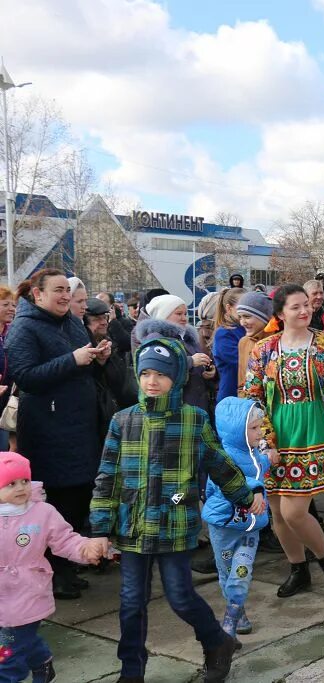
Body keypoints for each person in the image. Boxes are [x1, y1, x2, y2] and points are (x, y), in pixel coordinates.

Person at [90, 336, 257, 682]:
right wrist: (100, 528)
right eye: (146, 373)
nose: (152, 381)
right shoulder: (123, 421)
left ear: (177, 377)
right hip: (132, 527)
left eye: (161, 375)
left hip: (175, 523)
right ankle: (131, 669)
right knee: (131, 602)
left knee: (181, 597)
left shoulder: (193, 420)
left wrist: (245, 495)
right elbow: (107, 476)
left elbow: (219, 463)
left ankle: (216, 643)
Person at [244, 284, 324, 599]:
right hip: (277, 435)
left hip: (314, 431)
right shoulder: (264, 349)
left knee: (296, 512)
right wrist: (266, 440)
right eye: (296, 306)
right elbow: (252, 398)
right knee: (279, 513)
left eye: (307, 305)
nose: (304, 311)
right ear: (280, 314)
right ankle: (299, 569)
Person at [5, 269, 103, 599]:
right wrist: (72, 360)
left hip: (79, 426)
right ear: (38, 294)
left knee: (78, 496)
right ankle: (54, 572)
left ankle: (67, 566)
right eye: (58, 290)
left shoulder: (72, 323)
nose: (64, 296)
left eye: (67, 290)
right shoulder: (25, 327)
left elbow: (80, 361)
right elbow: (27, 376)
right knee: (56, 500)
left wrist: (97, 357)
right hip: (49, 430)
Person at [0, 452, 106, 683]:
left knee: (7, 653)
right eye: (11, 483)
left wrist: (85, 548)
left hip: (27, 591)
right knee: (18, 638)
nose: (20, 488)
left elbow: (65, 539)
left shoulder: (42, 513)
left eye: (25, 481)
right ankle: (42, 660)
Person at [205, 397, 271, 641]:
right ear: (235, 431)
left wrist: (268, 460)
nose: (259, 432)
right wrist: (254, 488)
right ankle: (237, 609)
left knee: (241, 573)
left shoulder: (252, 453)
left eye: (259, 427)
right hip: (224, 527)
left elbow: (256, 466)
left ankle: (230, 621)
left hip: (249, 530)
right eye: (253, 428)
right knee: (226, 570)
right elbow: (227, 484)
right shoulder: (222, 459)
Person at [135, 295, 217, 415]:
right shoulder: (156, 339)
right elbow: (157, 369)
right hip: (175, 408)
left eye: (185, 313)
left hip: (194, 403)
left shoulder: (186, 338)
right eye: (178, 314)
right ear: (164, 314)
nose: (184, 318)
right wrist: (190, 362)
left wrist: (208, 371)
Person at [84, 298, 137, 452]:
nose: (103, 322)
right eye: (96, 319)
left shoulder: (108, 342)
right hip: (97, 419)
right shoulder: (85, 346)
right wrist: (100, 362)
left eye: (104, 317)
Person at [234, 291, 274, 396]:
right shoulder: (243, 343)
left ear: (264, 317)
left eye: (247, 317)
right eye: (240, 317)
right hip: (251, 407)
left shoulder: (279, 340)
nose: (242, 322)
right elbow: (242, 383)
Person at [212, 287, 245, 404]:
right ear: (229, 308)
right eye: (241, 306)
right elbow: (240, 362)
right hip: (231, 395)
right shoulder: (224, 333)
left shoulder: (246, 329)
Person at [0, 286, 17, 450]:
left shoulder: (13, 332)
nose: (12, 309)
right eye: (5, 304)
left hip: (8, 404)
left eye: (13, 305)